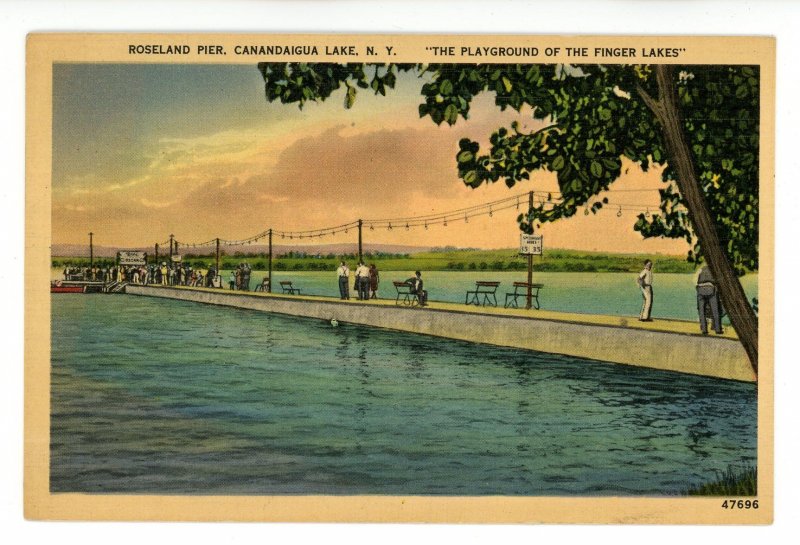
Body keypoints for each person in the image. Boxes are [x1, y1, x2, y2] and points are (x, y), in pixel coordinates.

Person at [695, 265, 723, 335]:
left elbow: (695, 281)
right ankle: (717, 329)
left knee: (701, 311)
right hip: (711, 289)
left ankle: (704, 330)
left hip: (700, 289)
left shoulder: (701, 269)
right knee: (715, 310)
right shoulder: (714, 269)